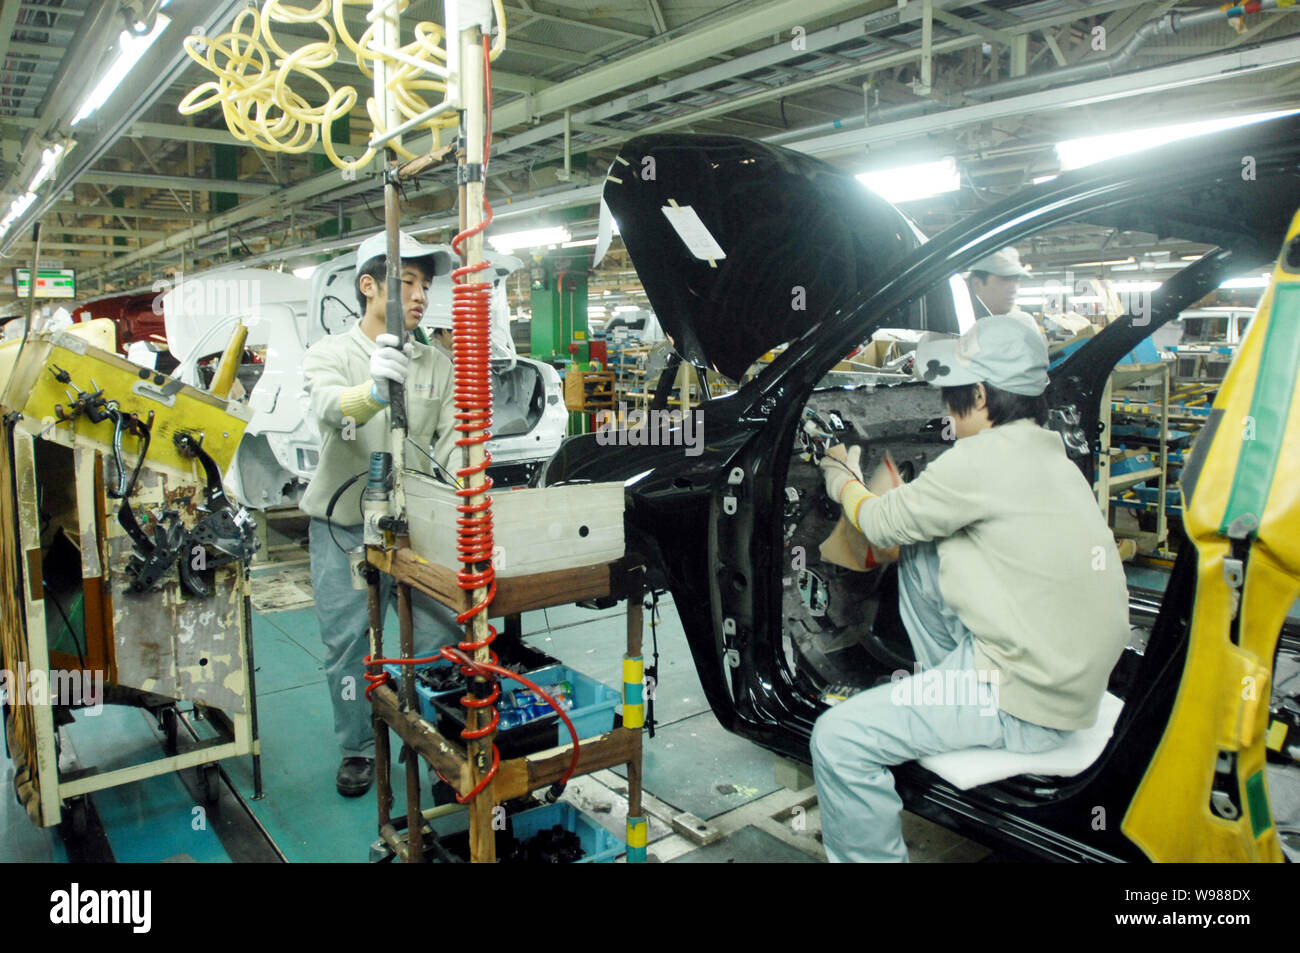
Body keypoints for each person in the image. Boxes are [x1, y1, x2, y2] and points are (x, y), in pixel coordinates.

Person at [810, 315, 1129, 862]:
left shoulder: (979, 460)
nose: (945, 412)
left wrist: (842, 478)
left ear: (980, 395)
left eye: (951, 397)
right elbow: (918, 527)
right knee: (924, 551)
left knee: (838, 740)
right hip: (1067, 675)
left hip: (1025, 704)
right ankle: (941, 688)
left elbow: (882, 523)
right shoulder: (1050, 453)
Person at [300, 230, 462, 797]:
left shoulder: (435, 364)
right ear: (370, 286)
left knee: (441, 637)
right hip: (344, 529)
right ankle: (359, 748)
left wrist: (462, 493)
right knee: (347, 643)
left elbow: (447, 445)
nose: (420, 296)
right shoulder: (330, 354)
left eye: (426, 285)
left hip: (416, 532)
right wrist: (371, 390)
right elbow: (326, 408)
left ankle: (433, 739)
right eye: (408, 282)